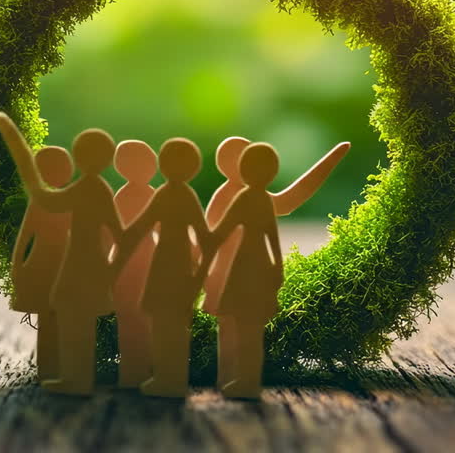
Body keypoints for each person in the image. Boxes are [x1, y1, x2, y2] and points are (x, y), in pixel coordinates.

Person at [0, 112, 123, 396]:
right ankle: (75, 376)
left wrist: (26, 165)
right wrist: (111, 266)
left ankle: (76, 380)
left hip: (80, 264)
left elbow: (46, 198)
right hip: (88, 263)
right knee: (75, 316)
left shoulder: (87, 188)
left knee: (73, 316)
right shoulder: (98, 188)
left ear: (79, 157)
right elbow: (118, 234)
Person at [202, 138, 350, 384]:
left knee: (242, 328)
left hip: (244, 270)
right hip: (230, 271)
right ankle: (232, 377)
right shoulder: (231, 195)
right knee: (234, 327)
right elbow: (215, 234)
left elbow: (287, 204)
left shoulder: (253, 196)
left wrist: (331, 159)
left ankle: (241, 379)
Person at [114, 138, 215, 397]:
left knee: (165, 322)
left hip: (166, 262)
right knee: (163, 321)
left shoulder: (164, 194)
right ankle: (162, 376)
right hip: (166, 262)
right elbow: (145, 226)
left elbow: (142, 226)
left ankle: (169, 379)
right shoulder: (175, 194)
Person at [207, 142, 287, 399]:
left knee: (241, 323)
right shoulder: (263, 198)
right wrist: (277, 263)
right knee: (251, 327)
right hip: (261, 261)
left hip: (244, 264)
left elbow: (222, 229)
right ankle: (242, 379)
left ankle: (243, 380)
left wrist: (204, 249)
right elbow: (272, 236)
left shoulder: (246, 197)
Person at [8, 145, 74, 382]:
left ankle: (59, 367)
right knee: (48, 317)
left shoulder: (67, 201)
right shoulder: (40, 202)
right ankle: (48, 368)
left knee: (60, 317)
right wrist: (18, 266)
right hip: (44, 262)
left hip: (64, 263)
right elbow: (25, 236)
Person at [111, 139, 158, 388]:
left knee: (142, 317)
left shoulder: (149, 193)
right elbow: (115, 230)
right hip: (130, 261)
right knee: (130, 318)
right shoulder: (125, 196)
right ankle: (133, 370)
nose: (151, 166)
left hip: (146, 258)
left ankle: (144, 368)